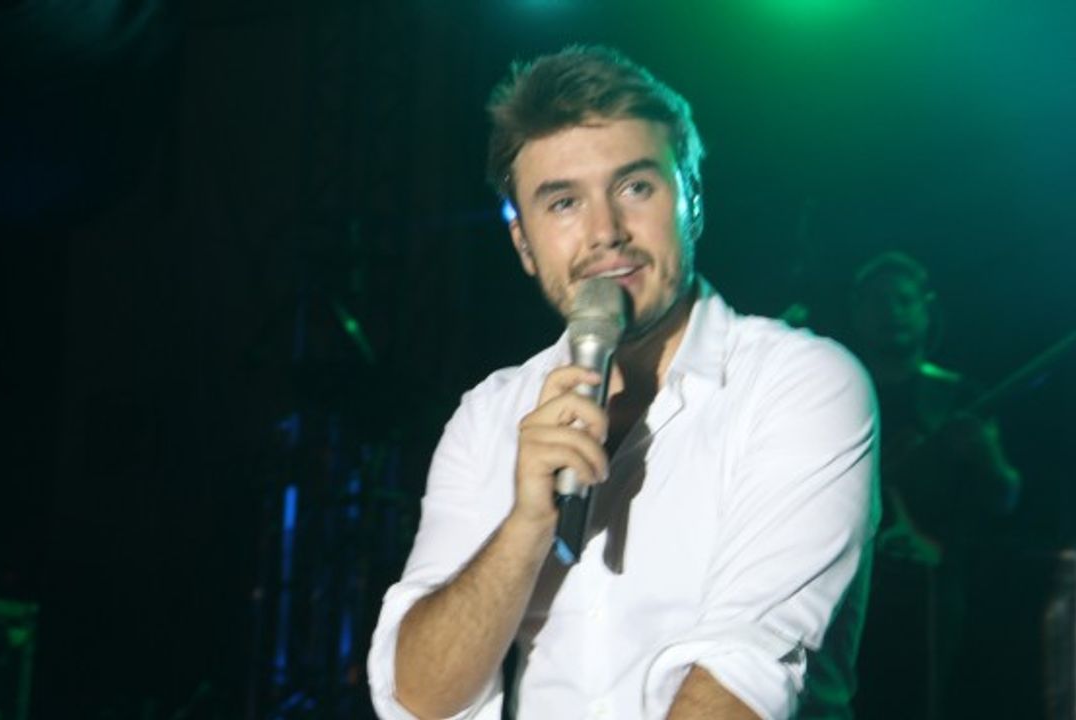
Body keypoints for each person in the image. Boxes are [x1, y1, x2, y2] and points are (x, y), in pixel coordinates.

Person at [367, 46, 880, 719]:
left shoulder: (800, 384)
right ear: (523, 245)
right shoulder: (488, 415)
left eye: (635, 187)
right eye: (563, 203)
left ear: (692, 199)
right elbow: (419, 697)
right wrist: (525, 525)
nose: (605, 232)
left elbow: (743, 678)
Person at [846, 252, 1021, 719]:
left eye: (904, 300)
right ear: (857, 311)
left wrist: (986, 454)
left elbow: (1005, 498)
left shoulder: (959, 396)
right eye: (878, 301)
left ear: (927, 308)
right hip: (851, 586)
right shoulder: (835, 392)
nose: (892, 312)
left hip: (935, 593)